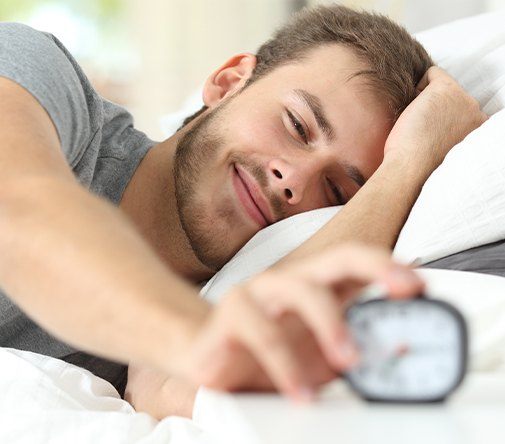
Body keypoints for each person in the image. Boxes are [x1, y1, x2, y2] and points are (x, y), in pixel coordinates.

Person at [0, 4, 485, 419]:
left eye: (336, 191)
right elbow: (20, 213)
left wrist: (407, 167)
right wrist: (197, 337)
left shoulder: (206, 307)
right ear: (228, 82)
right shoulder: (38, 72)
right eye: (296, 125)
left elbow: (176, 391)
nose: (293, 180)